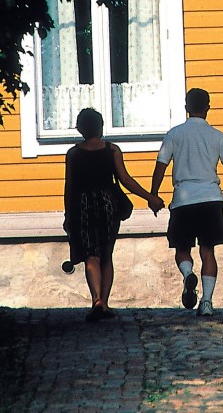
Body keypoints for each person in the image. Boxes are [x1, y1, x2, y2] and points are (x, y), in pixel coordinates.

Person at [63, 107, 163, 321]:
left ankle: (96, 300)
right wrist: (150, 197)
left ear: (80, 128)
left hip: (83, 205)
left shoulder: (73, 153)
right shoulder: (112, 150)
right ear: (100, 127)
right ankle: (105, 304)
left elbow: (69, 185)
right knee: (107, 254)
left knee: (91, 254)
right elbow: (125, 180)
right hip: (108, 204)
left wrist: (68, 214)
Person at [149, 87, 223, 316]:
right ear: (208, 107)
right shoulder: (217, 136)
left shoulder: (174, 134)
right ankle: (208, 302)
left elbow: (161, 166)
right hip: (211, 199)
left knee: (182, 249)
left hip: (183, 200)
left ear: (186, 108)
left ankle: (188, 274)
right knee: (208, 251)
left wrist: (153, 194)